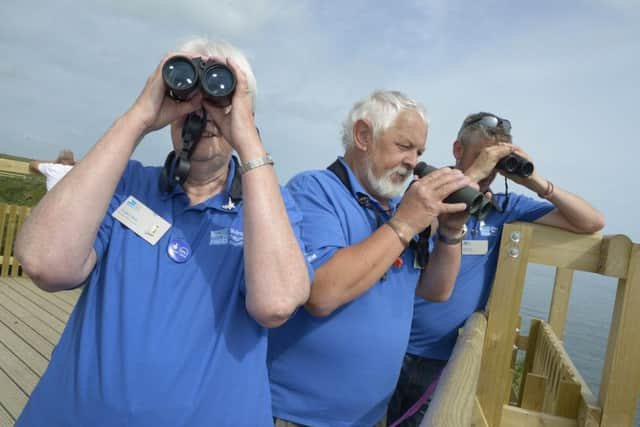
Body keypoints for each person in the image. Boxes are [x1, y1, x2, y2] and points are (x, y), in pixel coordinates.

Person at [14, 37, 311, 427]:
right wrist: (138, 116)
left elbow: (276, 303)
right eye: (188, 97)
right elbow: (44, 262)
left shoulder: (269, 208)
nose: (202, 115)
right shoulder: (125, 184)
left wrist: (248, 140)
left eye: (219, 100)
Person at [268, 90, 474, 427]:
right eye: (404, 146)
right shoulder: (315, 191)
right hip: (300, 415)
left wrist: (450, 233)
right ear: (364, 136)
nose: (413, 162)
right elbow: (321, 293)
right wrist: (406, 223)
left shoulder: (395, 209)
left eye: (419, 152)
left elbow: (435, 291)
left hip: (371, 414)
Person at [388, 112, 606, 426]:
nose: (490, 169)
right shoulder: (426, 188)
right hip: (393, 342)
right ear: (457, 150)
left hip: (442, 356)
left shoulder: (503, 207)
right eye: (481, 158)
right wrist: (471, 177)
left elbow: (592, 222)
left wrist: (533, 180)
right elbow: (417, 227)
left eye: (496, 163)